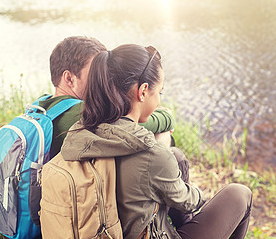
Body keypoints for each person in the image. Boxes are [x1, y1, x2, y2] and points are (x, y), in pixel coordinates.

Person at [59, 44, 252, 239]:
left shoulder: (79, 135)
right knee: (239, 194)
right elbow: (189, 200)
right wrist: (195, 192)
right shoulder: (150, 155)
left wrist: (166, 156)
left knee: (176, 156)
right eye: (159, 91)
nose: (159, 99)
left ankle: (187, 230)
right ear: (143, 91)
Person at [40, 36, 175, 159]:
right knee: (167, 143)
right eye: (96, 72)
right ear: (69, 79)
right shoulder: (83, 112)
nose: (105, 79)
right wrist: (166, 115)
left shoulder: (43, 105)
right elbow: (138, 123)